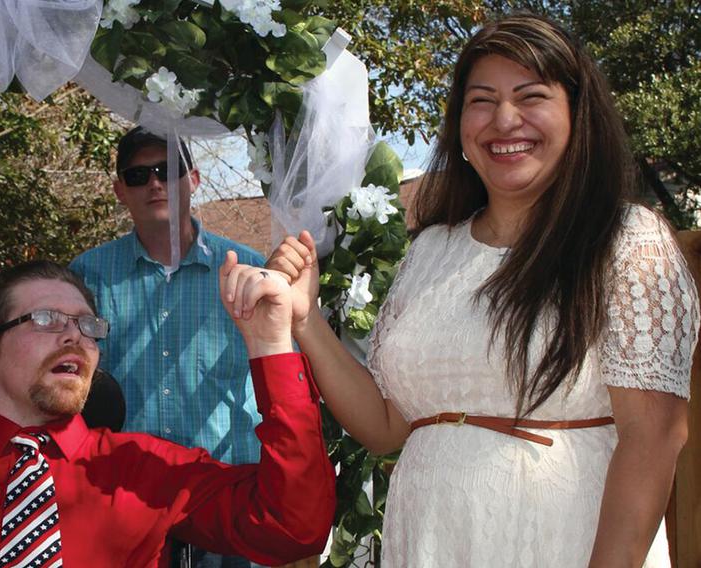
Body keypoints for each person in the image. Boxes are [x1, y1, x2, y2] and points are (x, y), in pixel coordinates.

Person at [266, 14, 698, 567]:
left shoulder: (625, 240)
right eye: (483, 100)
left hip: (563, 542)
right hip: (430, 540)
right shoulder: (429, 251)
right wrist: (306, 318)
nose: (505, 119)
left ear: (577, 114)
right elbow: (385, 427)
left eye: (530, 95)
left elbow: (654, 436)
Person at [0, 259, 335, 567]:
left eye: (87, 325)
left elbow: (293, 527)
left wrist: (270, 344)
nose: (74, 334)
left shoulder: (148, 471)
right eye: (46, 319)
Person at [69, 130, 265, 464]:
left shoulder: (248, 269)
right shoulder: (87, 275)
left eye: (167, 171)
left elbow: (281, 375)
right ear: (120, 191)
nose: (154, 184)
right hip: (125, 481)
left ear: (194, 179)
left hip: (229, 480)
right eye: (138, 175)